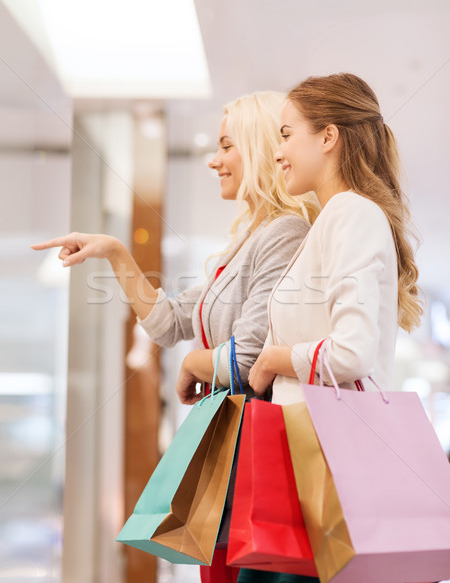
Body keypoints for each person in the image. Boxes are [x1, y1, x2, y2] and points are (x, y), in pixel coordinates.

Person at [32, 90, 318, 583]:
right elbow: (167, 323)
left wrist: (193, 365)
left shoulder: (286, 232)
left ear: (256, 147)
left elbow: (248, 361)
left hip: (256, 448)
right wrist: (117, 254)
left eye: (227, 146)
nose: (214, 160)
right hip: (229, 446)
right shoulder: (248, 240)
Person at [243, 73, 423, 583]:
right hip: (313, 455)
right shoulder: (336, 218)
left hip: (325, 462)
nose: (276, 152)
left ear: (328, 136)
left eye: (285, 134)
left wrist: (274, 360)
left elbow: (352, 353)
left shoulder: (350, 214)